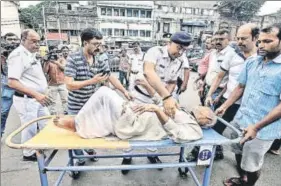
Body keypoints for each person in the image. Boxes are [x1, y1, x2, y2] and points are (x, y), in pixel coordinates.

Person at [215, 23, 281, 186]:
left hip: (262, 130)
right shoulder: (252, 61)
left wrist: (256, 127)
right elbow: (240, 87)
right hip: (241, 120)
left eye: (268, 41)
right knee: (237, 150)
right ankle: (241, 178)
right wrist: (225, 106)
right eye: (260, 41)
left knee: (251, 165)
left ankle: (248, 183)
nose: (261, 45)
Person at [64, 28, 133, 167]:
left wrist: (124, 91)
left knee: (90, 128)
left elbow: (110, 77)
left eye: (100, 44)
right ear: (85, 42)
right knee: (74, 136)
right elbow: (69, 85)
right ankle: (79, 160)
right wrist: (91, 81)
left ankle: (89, 150)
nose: (98, 47)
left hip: (93, 106)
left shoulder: (100, 58)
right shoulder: (73, 58)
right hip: (76, 105)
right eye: (95, 44)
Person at [54, 86, 217, 142]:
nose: (199, 106)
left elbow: (177, 133)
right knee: (106, 104)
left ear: (206, 118)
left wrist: (157, 110)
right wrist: (148, 87)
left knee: (104, 92)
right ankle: (81, 123)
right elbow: (160, 103)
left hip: (135, 124)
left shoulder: (194, 129)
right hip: (135, 114)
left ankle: (76, 123)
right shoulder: (185, 112)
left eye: (203, 108)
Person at [7, 29, 52, 161]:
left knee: (46, 122)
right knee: (30, 126)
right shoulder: (18, 55)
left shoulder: (31, 54)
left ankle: (40, 144)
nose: (37, 44)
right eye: (33, 41)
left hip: (38, 98)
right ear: (23, 40)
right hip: (27, 99)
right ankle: (28, 153)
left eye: (38, 42)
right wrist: (36, 95)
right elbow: (12, 82)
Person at [143, 31, 193, 118]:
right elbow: (148, 72)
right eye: (179, 48)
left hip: (160, 98)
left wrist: (165, 99)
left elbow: (172, 83)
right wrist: (166, 97)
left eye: (184, 50)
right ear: (169, 43)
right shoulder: (155, 51)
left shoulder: (179, 61)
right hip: (143, 97)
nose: (180, 53)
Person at [1, 32, 19, 137]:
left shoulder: (23, 52)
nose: (12, 41)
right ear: (4, 40)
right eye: (9, 39)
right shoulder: (2, 53)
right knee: (3, 112)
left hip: (23, 87)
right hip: (7, 86)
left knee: (30, 114)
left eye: (14, 39)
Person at [43, 46, 69, 115]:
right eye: (53, 53)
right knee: (52, 101)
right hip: (52, 84)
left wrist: (57, 62)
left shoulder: (62, 59)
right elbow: (45, 71)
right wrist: (47, 61)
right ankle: (53, 115)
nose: (55, 54)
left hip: (62, 84)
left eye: (56, 52)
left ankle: (66, 113)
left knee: (65, 100)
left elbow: (64, 68)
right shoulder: (49, 61)